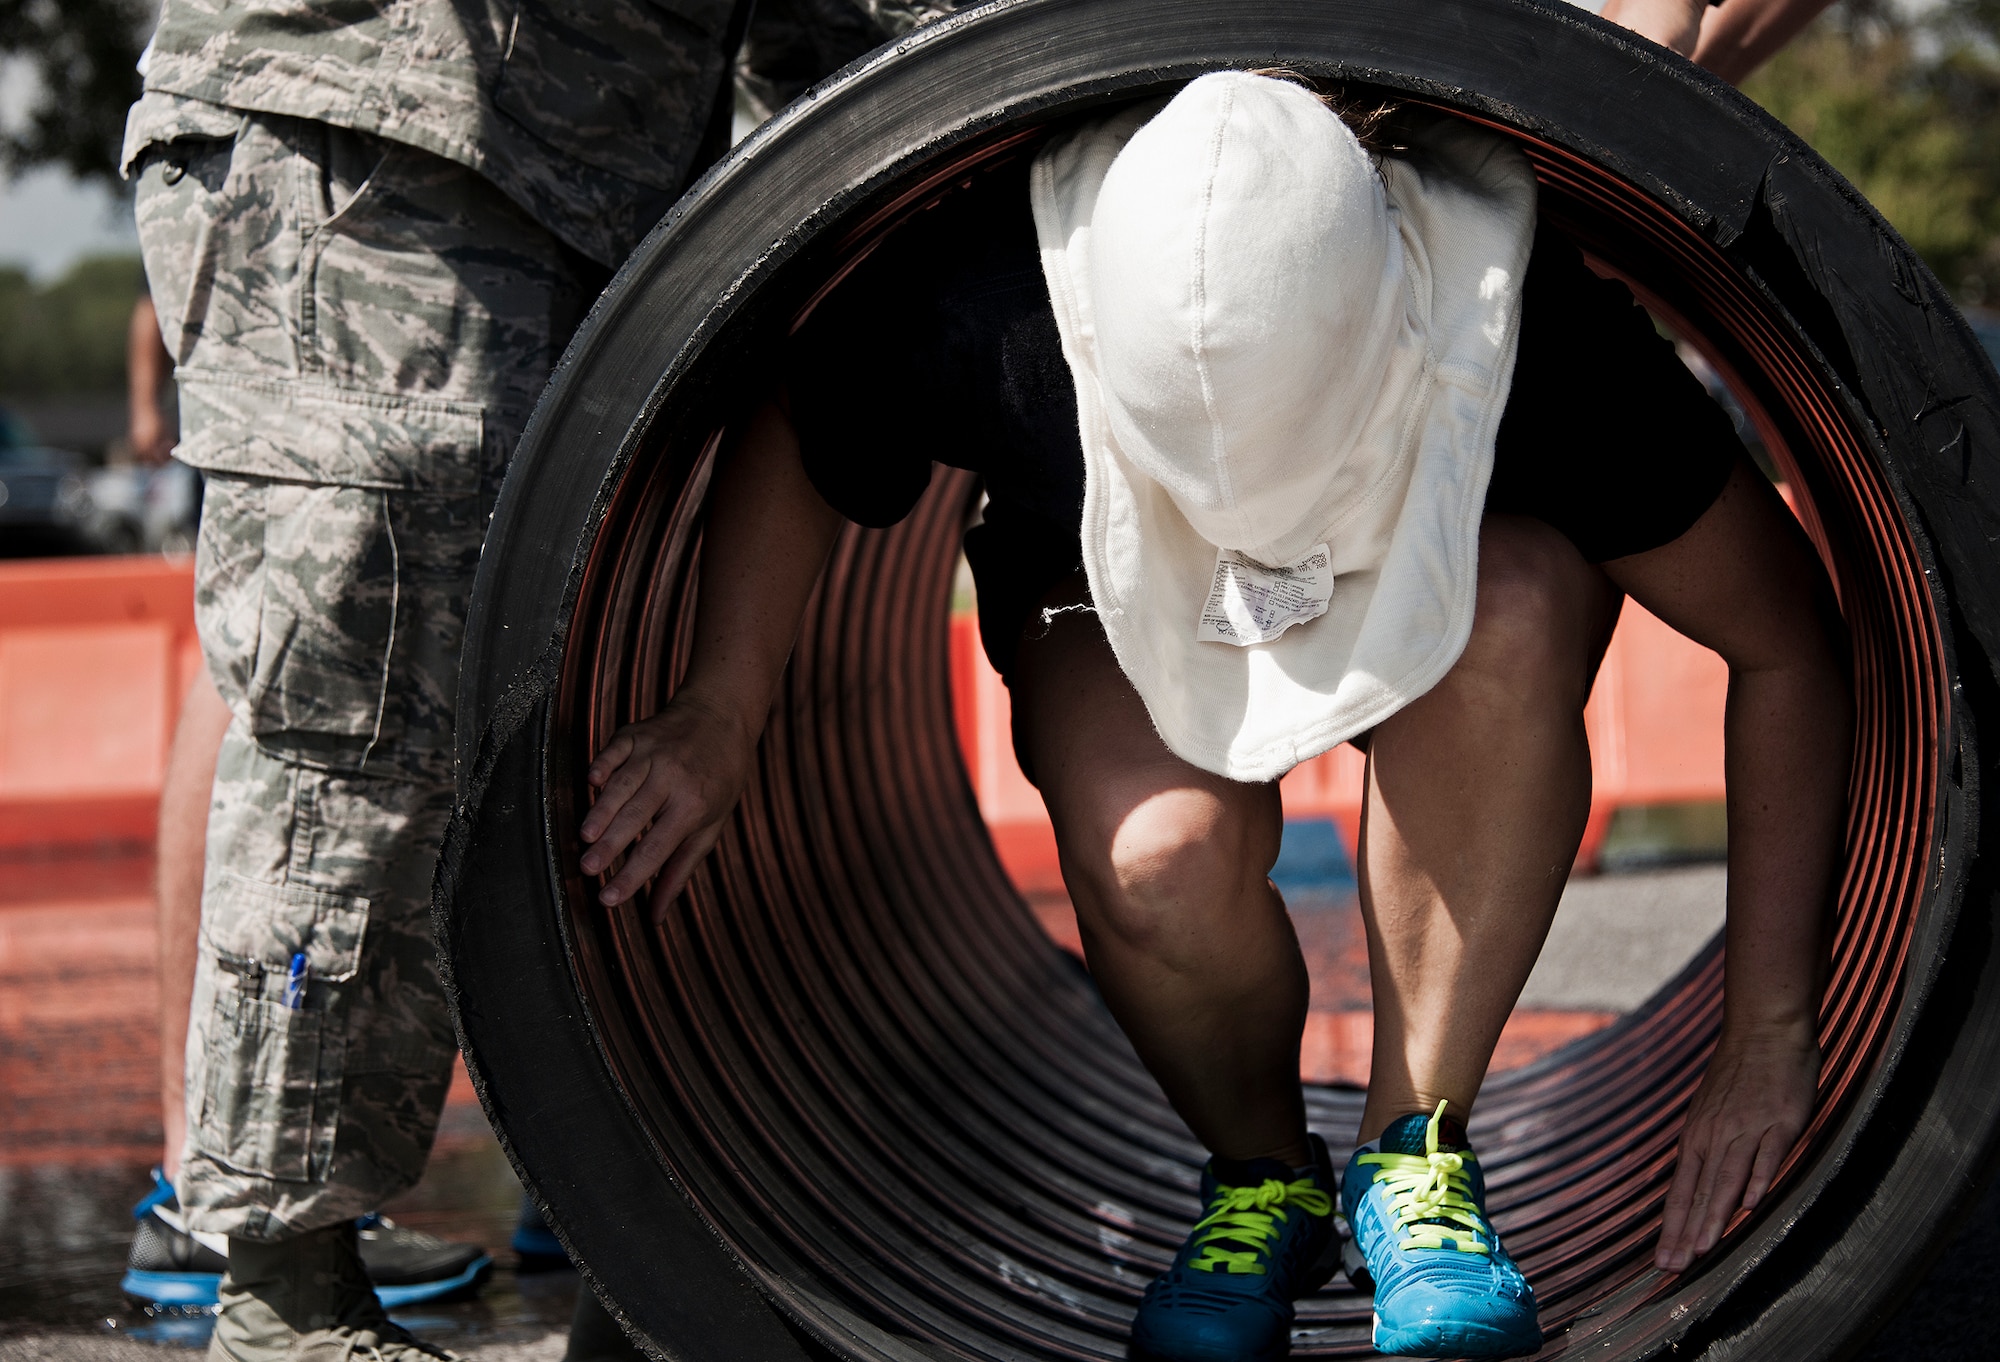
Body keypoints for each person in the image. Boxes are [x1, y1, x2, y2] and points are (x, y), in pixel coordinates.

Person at [576, 74, 1850, 1361]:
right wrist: (720, 708)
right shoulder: (994, 294)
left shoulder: (1518, 328)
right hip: (1104, 581)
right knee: (1154, 853)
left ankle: (1412, 1152)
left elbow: (1787, 643)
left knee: (1512, 613)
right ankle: (1261, 1179)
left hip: (1460, 568)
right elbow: (801, 416)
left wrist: (1766, 1032)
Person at [121, 2, 965, 1357]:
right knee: (360, 707)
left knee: (479, 691)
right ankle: (283, 1286)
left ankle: (511, 1194)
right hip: (381, 143)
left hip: (570, 179)